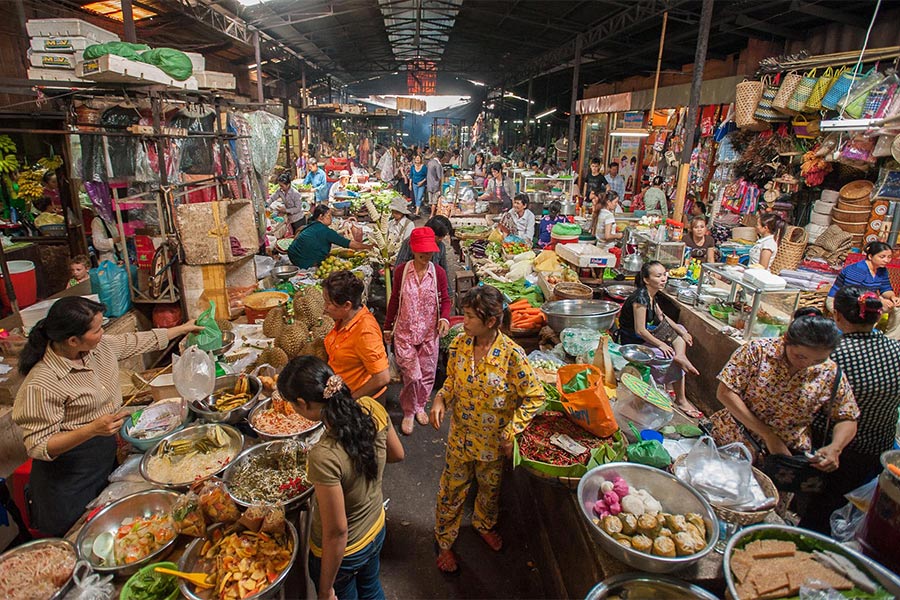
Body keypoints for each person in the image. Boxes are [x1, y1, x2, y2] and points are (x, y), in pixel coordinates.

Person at [12, 296, 201, 536]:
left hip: (101, 454)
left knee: (113, 524)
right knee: (82, 535)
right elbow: (39, 446)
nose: (103, 332)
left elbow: (137, 341)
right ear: (72, 340)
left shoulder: (98, 348)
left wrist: (185, 328)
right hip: (68, 478)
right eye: (98, 329)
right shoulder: (42, 383)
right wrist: (91, 429)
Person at [430, 286, 544, 573]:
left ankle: (483, 524)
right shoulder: (458, 346)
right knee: (451, 490)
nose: (463, 321)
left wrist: (512, 431)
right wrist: (441, 398)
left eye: (469, 317)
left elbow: (535, 396)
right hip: (460, 437)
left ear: (491, 321)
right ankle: (444, 541)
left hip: (493, 442)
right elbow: (452, 382)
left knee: (490, 490)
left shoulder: (512, 356)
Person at [278, 356, 404, 600]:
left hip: (346, 554)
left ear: (304, 404)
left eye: (292, 405)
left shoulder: (323, 455)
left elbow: (337, 531)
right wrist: (363, 458)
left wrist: (325, 590)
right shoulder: (371, 407)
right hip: (377, 528)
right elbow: (397, 454)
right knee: (371, 589)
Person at [796, 288, 900, 532]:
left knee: (819, 512)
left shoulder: (833, 353)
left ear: (837, 316)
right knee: (846, 508)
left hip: (835, 449)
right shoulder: (896, 350)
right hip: (878, 449)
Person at [712, 312, 858, 483]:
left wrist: (836, 448)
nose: (806, 364)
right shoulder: (757, 351)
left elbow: (847, 417)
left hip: (784, 460)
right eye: (800, 356)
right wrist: (768, 435)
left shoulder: (830, 372)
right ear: (787, 338)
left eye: (818, 360)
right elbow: (725, 393)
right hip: (733, 441)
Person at [383, 228, 452, 435]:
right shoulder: (402, 271)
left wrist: (444, 318)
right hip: (405, 333)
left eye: (429, 252)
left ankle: (421, 405)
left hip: (430, 334)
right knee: (412, 376)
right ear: (412, 249)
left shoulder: (437, 273)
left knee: (428, 375)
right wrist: (387, 327)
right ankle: (408, 411)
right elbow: (394, 300)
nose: (425, 256)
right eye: (421, 252)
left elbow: (446, 299)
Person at [617, 261, 703, 418]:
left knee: (681, 330)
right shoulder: (641, 298)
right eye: (658, 276)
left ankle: (681, 355)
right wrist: (661, 344)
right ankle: (681, 399)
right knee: (669, 356)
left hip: (647, 336)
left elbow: (662, 317)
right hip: (633, 342)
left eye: (664, 274)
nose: (663, 279)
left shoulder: (651, 295)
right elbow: (640, 330)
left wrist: (679, 330)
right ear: (646, 279)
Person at [323, 271, 391, 401]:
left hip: (363, 402)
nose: (325, 307)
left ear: (347, 305)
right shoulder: (343, 319)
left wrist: (351, 399)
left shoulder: (366, 332)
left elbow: (382, 377)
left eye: (328, 303)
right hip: (341, 390)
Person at [827, 241, 900, 339]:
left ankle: (890, 339)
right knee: (871, 310)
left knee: (897, 308)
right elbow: (852, 293)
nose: (886, 260)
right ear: (870, 256)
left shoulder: (882, 270)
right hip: (843, 300)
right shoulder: (857, 269)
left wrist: (892, 297)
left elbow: (885, 288)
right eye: (882, 257)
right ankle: (865, 338)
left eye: (889, 257)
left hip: (869, 299)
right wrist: (880, 300)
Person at [288, 205, 372, 270]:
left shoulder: (311, 224)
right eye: (329, 215)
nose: (331, 218)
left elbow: (299, 230)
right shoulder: (325, 231)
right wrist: (368, 247)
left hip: (292, 256)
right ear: (321, 216)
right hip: (302, 262)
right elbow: (348, 243)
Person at [425, 150, 444, 215]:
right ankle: (432, 215)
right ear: (442, 158)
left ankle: (431, 213)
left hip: (429, 184)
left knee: (430, 201)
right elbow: (439, 176)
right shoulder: (438, 165)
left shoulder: (430, 162)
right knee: (434, 202)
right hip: (435, 185)